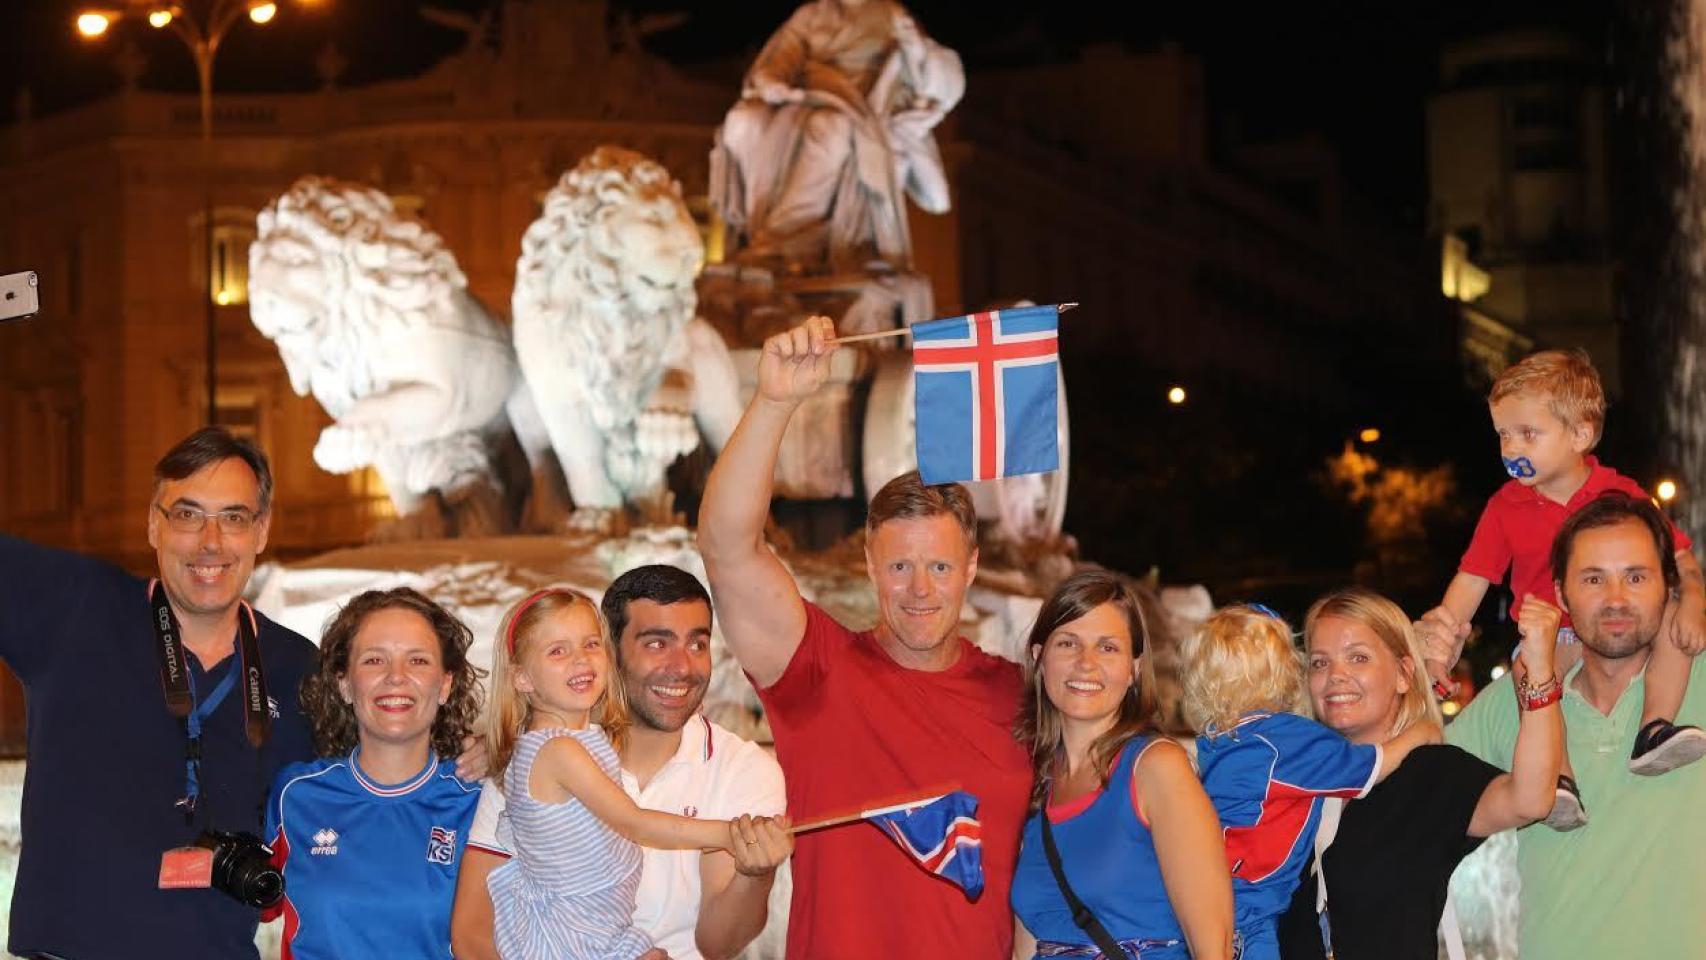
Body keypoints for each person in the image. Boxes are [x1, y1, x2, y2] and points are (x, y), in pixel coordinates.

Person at [697, 314, 1033, 958]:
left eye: (939, 567)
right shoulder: (817, 671)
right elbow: (726, 548)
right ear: (871, 567)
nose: (919, 589)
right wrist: (774, 402)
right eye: (900, 567)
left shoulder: (1021, 697)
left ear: (971, 568)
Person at [0, 427, 318, 960]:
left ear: (261, 530)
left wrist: (465, 752)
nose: (211, 541)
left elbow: (384, 766)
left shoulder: (297, 668)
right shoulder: (78, 608)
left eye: (233, 518)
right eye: (188, 515)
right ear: (154, 523)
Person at [1416, 350, 1706, 829]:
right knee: (1531, 672)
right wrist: (1439, 648)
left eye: (1528, 434)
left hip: (1616, 624)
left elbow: (1680, 558)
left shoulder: (1621, 495)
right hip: (1550, 634)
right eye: (1503, 435)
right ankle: (1559, 778)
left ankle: (1654, 729)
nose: (1511, 448)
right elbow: (1471, 582)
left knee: (1673, 615)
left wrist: (1693, 601)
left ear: (1580, 435)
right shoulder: (1505, 508)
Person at [450, 564, 791, 960]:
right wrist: (732, 832)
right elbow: (473, 934)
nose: (682, 666)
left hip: (613, 939)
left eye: (698, 644)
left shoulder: (743, 769)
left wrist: (755, 872)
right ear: (614, 651)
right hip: (571, 941)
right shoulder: (539, 756)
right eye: (657, 644)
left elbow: (718, 945)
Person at [1447, 490, 1706, 956]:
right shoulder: (1514, 700)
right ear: (1561, 592)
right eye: (1593, 579)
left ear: (1668, 588)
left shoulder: (1699, 674)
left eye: (1635, 577)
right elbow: (1414, 796)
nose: (1616, 599)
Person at [1275, 587, 1560, 960]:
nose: (1336, 675)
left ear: (1403, 674)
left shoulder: (1429, 773)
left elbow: (1530, 800)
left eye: (1358, 658)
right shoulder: (1291, 777)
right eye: (1319, 663)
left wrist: (1539, 673)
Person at [1181, 605, 1437, 960]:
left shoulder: (1216, 742)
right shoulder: (1284, 740)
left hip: (1201, 902)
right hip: (1248, 912)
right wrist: (1423, 731)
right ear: (1286, 670)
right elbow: (1370, 766)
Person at [1010, 570, 1234, 960]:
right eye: (1068, 643)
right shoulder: (1037, 785)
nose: (1086, 663)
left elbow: (1214, 946)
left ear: (1134, 668)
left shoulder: (1155, 768)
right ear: (1039, 658)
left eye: (1108, 648)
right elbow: (1027, 947)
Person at [262, 588, 485, 958]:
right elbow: (241, 907)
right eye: (374, 660)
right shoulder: (295, 795)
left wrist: (516, 753)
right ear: (344, 684)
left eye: (417, 660)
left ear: (445, 684)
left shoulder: (478, 801)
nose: (396, 677)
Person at [709, 0, 964, 268]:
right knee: (743, 120)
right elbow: (781, 58)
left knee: (830, 126)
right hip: (807, 97)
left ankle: (786, 232)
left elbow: (920, 69)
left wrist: (913, 47)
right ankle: (756, 227)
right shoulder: (811, 14)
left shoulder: (890, 13)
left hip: (863, 107)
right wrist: (772, 83)